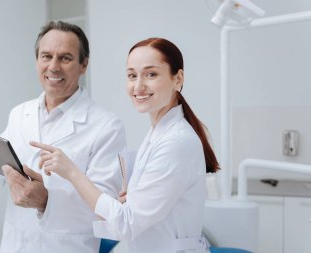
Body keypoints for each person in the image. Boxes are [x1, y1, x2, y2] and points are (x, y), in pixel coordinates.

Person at [31, 37, 220, 253]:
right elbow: (134, 214)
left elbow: (126, 223)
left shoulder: (176, 142)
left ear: (178, 79)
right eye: (132, 75)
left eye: (151, 74)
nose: (138, 86)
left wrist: (73, 173)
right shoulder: (158, 133)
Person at [0, 20, 126, 253]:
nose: (53, 67)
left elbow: (107, 209)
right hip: (15, 245)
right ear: (37, 60)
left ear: (84, 65)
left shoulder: (107, 126)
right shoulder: (19, 113)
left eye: (65, 58)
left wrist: (47, 201)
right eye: (46, 56)